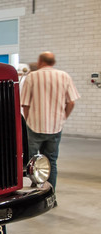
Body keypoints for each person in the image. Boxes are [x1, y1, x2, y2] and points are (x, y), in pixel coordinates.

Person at [20, 52, 79, 190]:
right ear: (53, 62)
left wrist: (29, 120)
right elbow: (71, 102)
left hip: (34, 125)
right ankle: (51, 192)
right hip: (55, 127)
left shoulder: (32, 77)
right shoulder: (64, 76)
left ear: (40, 61)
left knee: (33, 162)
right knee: (51, 161)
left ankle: (35, 189)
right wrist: (63, 117)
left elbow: (25, 104)